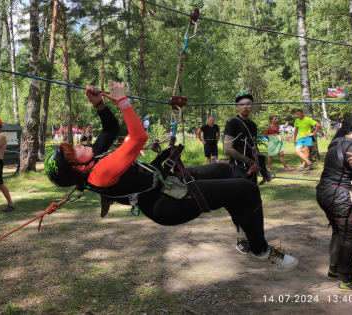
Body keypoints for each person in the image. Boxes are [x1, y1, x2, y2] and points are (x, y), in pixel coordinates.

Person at [44, 81, 298, 271]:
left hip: (165, 183)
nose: (80, 145)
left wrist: (99, 104)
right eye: (74, 151)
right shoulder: (100, 172)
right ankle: (261, 250)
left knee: (225, 170)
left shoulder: (91, 160)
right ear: (77, 168)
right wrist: (122, 101)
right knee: (248, 191)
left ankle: (244, 233)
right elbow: (138, 138)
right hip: (168, 204)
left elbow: (110, 129)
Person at [316, 111, 352, 291]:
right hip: (340, 197)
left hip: (323, 193)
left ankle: (335, 269)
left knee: (339, 231)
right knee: (350, 238)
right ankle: (346, 279)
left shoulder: (337, 142)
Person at [223, 90, 272, 254]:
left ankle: (254, 238)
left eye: (248, 104)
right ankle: (241, 239)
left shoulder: (252, 125)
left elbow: (254, 149)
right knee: (240, 205)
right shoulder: (232, 123)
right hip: (237, 170)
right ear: (237, 106)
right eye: (242, 104)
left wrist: (263, 169)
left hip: (252, 171)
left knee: (253, 205)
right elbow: (227, 149)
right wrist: (249, 162)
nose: (245, 107)